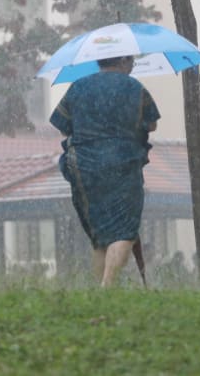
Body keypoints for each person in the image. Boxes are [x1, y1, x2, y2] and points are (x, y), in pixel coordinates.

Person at [50, 54, 160, 287]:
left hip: (83, 166)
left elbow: (62, 126)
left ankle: (99, 294)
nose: (133, 65)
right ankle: (107, 289)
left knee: (100, 235)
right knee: (125, 231)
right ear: (122, 61)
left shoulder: (78, 86)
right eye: (131, 61)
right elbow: (151, 124)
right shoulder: (135, 88)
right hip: (123, 163)